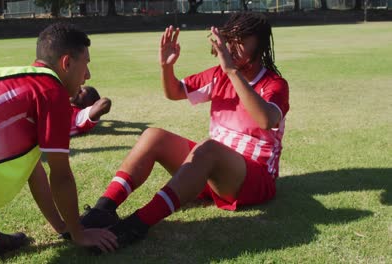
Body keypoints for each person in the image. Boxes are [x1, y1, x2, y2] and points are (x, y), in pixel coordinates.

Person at [81, 12, 290, 249]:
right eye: (230, 39)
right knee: (154, 136)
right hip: (212, 173)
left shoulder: (274, 84)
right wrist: (166, 66)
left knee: (208, 148)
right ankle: (103, 209)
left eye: (241, 40)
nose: (232, 46)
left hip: (253, 180)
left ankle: (137, 224)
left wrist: (231, 71)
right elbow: (175, 92)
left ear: (260, 45)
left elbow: (265, 119)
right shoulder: (219, 75)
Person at [0, 22, 117, 264]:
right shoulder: (52, 92)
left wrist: (63, 228)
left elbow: (33, 171)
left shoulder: (26, 81)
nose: (88, 75)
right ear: (66, 63)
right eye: (86, 64)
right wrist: (79, 234)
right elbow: (61, 177)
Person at [0, 85, 112, 260]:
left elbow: (104, 104)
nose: (78, 88)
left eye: (81, 92)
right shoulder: (56, 105)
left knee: (7, 164)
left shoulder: (80, 116)